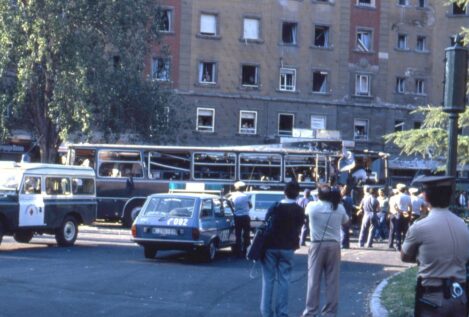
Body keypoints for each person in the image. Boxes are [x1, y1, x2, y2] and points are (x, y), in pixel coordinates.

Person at [401, 176, 469, 317]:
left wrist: (422, 257)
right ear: (450, 197)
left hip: (432, 300)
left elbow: (405, 256)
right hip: (460, 298)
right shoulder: (463, 225)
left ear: (425, 197)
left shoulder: (419, 227)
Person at [301, 184, 349, 317]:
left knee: (313, 280)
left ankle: (311, 311)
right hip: (334, 245)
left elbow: (305, 214)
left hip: (316, 245)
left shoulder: (312, 206)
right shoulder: (339, 207)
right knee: (332, 280)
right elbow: (346, 221)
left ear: (318, 195)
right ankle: (330, 312)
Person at [260, 181, 304, 317]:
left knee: (268, 280)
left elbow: (265, 223)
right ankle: (282, 313)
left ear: (284, 192)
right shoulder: (299, 209)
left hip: (270, 246)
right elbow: (300, 226)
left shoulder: (275, 206)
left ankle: (266, 312)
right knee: (284, 280)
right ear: (297, 195)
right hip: (287, 247)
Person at [229, 181, 252, 257]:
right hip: (245, 216)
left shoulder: (233, 195)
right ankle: (246, 251)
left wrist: (234, 210)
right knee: (246, 234)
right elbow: (250, 205)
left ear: (236, 188)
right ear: (243, 188)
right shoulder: (246, 196)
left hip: (237, 217)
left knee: (238, 234)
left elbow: (230, 204)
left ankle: (238, 252)